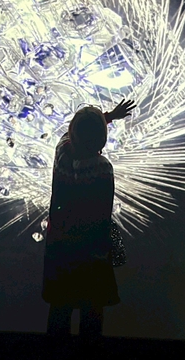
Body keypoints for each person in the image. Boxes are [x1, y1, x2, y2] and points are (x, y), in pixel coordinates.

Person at [41, 99, 136, 342]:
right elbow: (103, 213)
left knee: (60, 308)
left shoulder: (62, 153)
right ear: (101, 138)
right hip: (90, 251)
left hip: (60, 245)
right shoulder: (102, 168)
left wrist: (106, 116)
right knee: (92, 311)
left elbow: (72, 134)